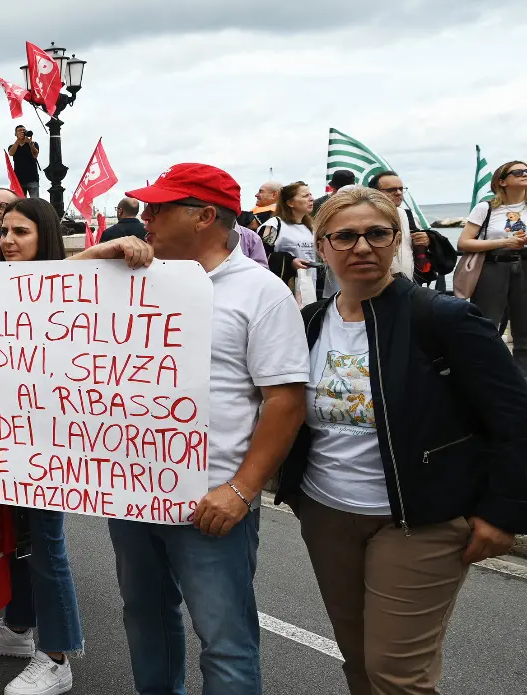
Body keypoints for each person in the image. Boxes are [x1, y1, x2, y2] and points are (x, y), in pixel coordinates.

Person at [277, 188, 527, 695]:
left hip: (421, 519)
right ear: (321, 246)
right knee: (358, 663)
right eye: (345, 235)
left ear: (397, 242)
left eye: (377, 233)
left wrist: (504, 513)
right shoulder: (307, 323)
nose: (362, 246)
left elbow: (515, 417)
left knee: (397, 674)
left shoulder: (443, 318)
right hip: (326, 514)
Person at [75, 162, 308, 695]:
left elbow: (285, 402)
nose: (146, 217)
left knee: (224, 641)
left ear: (205, 216)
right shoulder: (134, 278)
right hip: (133, 491)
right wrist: (96, 257)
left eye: (160, 208)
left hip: (211, 501)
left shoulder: (261, 292)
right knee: (145, 618)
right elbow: (46, 308)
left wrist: (240, 491)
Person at [0, 199, 85, 695]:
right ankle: (17, 627)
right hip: (1, 439)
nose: (8, 240)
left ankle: (57, 657)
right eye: (4, 231)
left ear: (45, 237)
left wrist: (112, 244)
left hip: (50, 445)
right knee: (17, 540)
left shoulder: (70, 286)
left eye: (22, 232)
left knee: (47, 546)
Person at [460, 160, 527, 371]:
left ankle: (521, 379)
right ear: (502, 181)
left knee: (524, 328)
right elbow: (464, 242)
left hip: (525, 266)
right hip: (493, 267)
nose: (525, 174)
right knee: (487, 324)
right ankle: (486, 373)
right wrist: (504, 242)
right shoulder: (486, 208)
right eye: (518, 172)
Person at [365, 170, 433, 282]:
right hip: (373, 284)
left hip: (407, 283)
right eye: (391, 190)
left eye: (401, 189)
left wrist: (425, 241)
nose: (398, 193)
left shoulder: (408, 215)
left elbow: (415, 246)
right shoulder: (363, 217)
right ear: (374, 192)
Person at [260, 181, 318, 306]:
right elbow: (260, 256)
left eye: (311, 194)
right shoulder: (273, 225)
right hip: (282, 290)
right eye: (305, 196)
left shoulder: (311, 227)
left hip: (308, 288)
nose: (311, 198)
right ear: (290, 203)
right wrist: (290, 261)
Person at [8, 125, 41, 198]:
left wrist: (30, 144)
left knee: (35, 202)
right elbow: (11, 153)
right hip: (19, 179)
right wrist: (18, 141)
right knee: (21, 203)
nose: (22, 132)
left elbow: (35, 155)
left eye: (24, 130)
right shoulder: (13, 146)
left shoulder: (33, 144)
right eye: (20, 130)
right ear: (15, 134)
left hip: (32, 178)